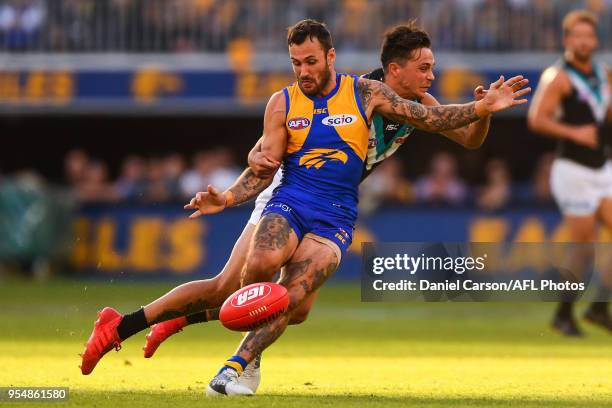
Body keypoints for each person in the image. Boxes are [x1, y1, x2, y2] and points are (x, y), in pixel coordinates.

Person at [80, 19, 530, 396]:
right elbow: (270, 151)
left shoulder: (415, 103)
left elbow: (467, 136)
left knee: (295, 308)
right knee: (235, 287)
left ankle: (186, 322)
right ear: (395, 70)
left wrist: (484, 108)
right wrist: (241, 180)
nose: (432, 76)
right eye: (425, 68)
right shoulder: (361, 94)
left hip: (333, 204)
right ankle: (132, 325)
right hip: (290, 188)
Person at [528, 10, 612, 336]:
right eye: (578, 35)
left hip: (602, 166)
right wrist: (574, 133)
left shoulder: (603, 75)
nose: (584, 41)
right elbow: (537, 118)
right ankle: (564, 312)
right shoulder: (558, 76)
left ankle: (598, 307)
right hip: (572, 169)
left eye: (589, 36)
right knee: (584, 247)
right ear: (567, 39)